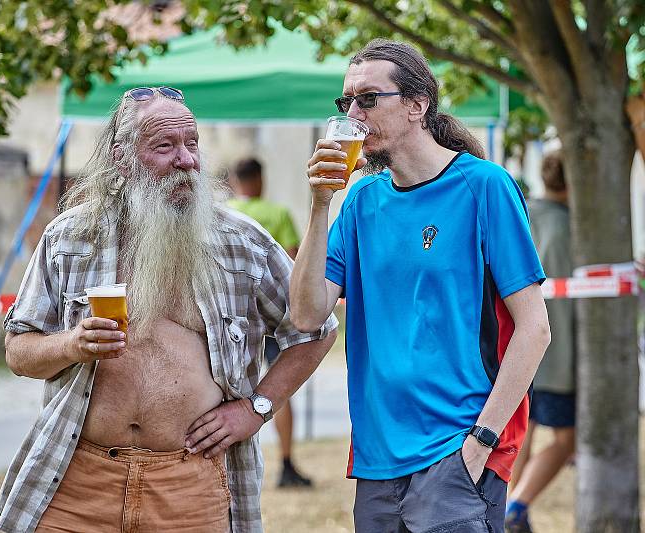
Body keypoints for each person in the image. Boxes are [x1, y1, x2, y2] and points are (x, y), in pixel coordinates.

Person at [0, 86, 337, 533]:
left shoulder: (241, 241)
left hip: (189, 484)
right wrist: (72, 344)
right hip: (79, 480)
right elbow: (18, 352)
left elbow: (315, 330)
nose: (186, 160)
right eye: (165, 146)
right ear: (122, 157)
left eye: (192, 143)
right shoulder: (69, 237)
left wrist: (255, 409)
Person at [289, 39, 551, 533]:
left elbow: (535, 329)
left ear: (417, 105)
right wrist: (320, 206)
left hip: (457, 450)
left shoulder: (485, 186)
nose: (353, 114)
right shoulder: (360, 200)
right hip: (377, 459)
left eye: (368, 99)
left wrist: (480, 444)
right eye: (346, 103)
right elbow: (305, 315)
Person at [227, 157, 312, 488]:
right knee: (279, 390)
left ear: (235, 180)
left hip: (233, 320)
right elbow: (291, 265)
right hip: (272, 319)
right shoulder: (277, 213)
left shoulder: (222, 213)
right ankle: (287, 463)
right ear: (260, 179)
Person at [505, 150, 574, 533]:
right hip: (555, 354)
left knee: (522, 430)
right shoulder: (568, 228)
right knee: (568, 438)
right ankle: (516, 506)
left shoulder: (524, 212)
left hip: (517, 345)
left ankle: (510, 508)